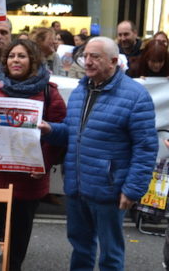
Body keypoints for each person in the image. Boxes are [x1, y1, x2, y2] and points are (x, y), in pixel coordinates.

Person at [38, 36, 157, 271]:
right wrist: (50, 129)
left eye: (95, 57)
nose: (88, 61)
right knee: (80, 248)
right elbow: (73, 133)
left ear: (113, 61)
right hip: (77, 187)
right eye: (85, 56)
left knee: (110, 254)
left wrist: (133, 189)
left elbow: (145, 148)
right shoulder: (82, 90)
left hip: (109, 190)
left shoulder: (135, 96)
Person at [0, 39, 67, 271]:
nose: (15, 60)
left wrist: (43, 162)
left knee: (15, 247)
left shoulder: (48, 92)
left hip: (26, 182)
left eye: (22, 56)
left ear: (32, 60)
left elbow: (61, 133)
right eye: (12, 56)